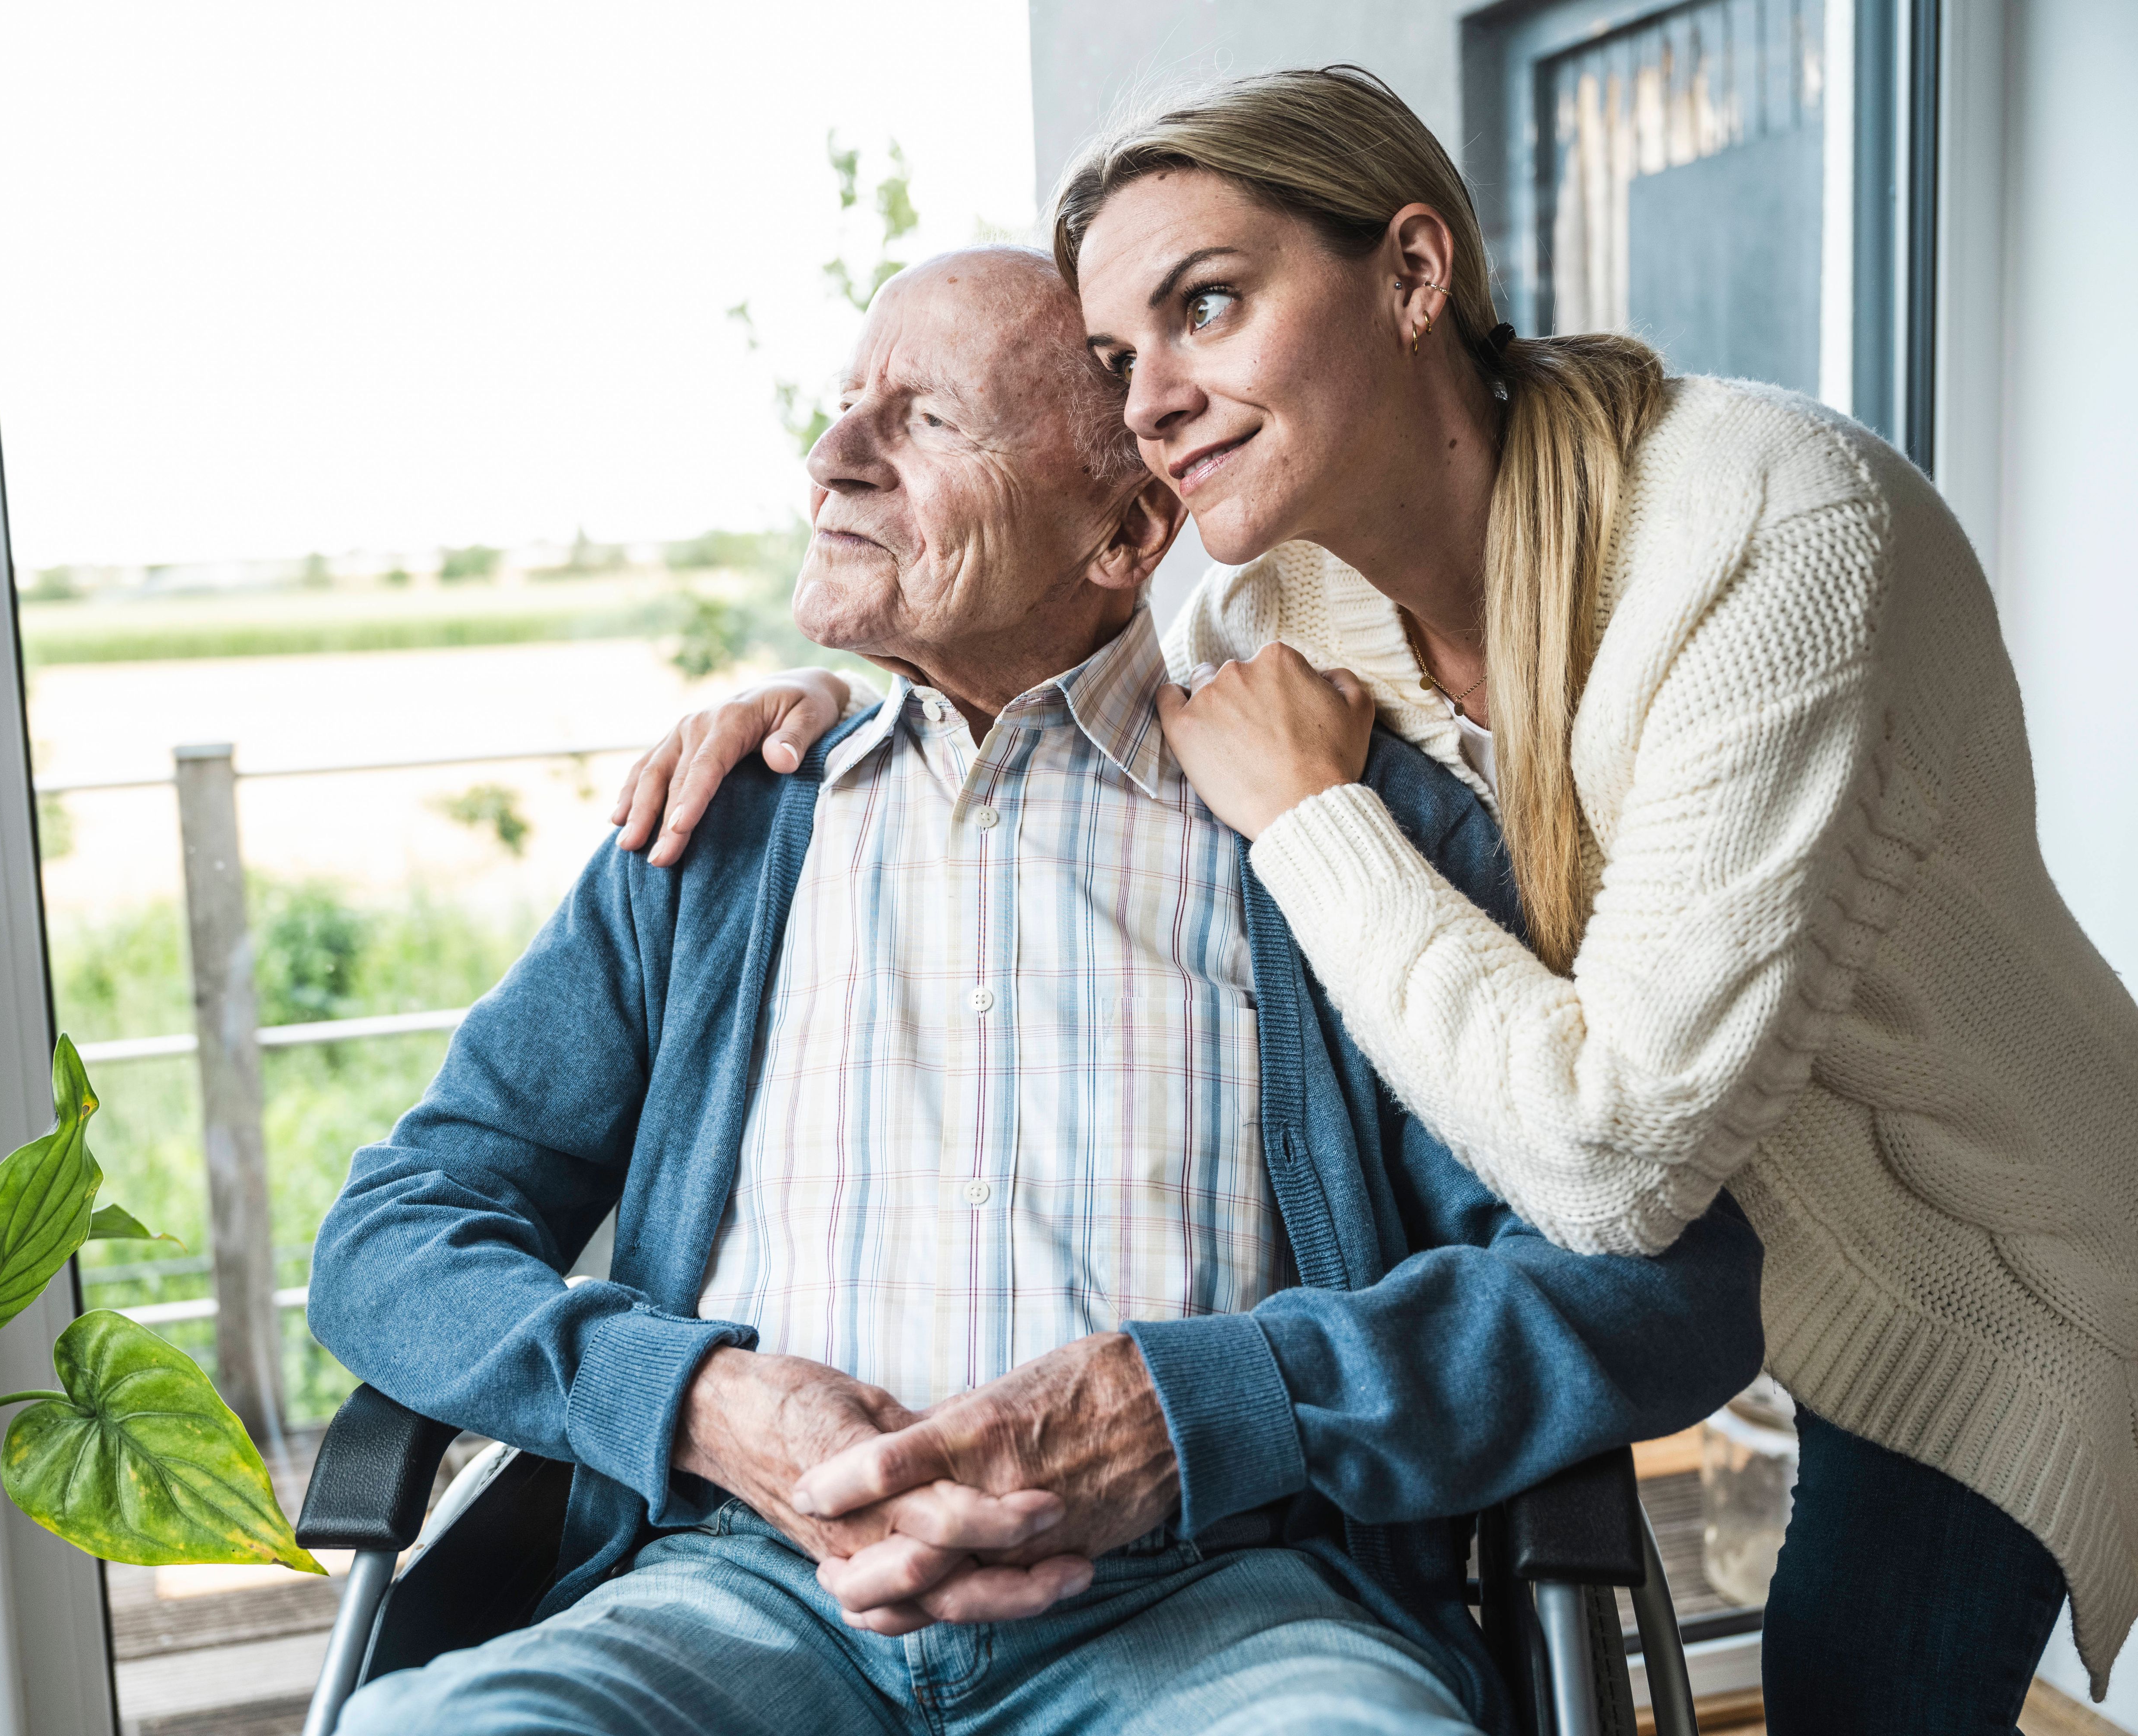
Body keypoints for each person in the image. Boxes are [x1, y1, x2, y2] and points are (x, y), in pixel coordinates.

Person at [610, 64, 2138, 1734]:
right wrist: (840, 707)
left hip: (1979, 1254)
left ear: (1414, 274)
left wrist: (1318, 818)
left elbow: (1617, 1163)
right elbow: (1054, 680)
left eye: (1210, 306)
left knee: (1861, 1695)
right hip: (1738, 1229)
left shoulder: (1774, 531)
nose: (1153, 405)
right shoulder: (1294, 594)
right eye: (1121, 361)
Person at [309, 246, 1762, 1736]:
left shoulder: (1332, 825)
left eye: (925, 422)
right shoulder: (720, 836)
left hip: (1227, 1620)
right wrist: (693, 1402)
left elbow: (1655, 1283)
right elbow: (394, 1236)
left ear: (1127, 530)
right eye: (845, 406)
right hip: (739, 1596)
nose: (831, 460)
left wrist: (1202, 1410)